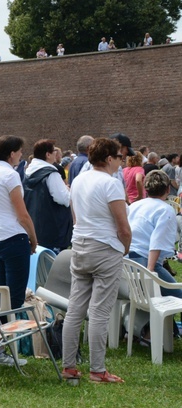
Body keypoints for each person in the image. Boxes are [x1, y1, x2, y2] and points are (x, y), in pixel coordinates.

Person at [62, 137, 130, 384]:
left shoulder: (78, 179)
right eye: (120, 157)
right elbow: (123, 226)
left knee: (75, 309)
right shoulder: (111, 184)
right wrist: (124, 249)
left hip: (80, 244)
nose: (121, 162)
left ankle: (69, 366)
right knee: (100, 311)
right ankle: (98, 370)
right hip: (104, 247)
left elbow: (75, 217)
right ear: (110, 158)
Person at [0, 136, 38, 338]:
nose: (21, 155)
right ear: (12, 153)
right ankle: (2, 345)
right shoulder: (9, 175)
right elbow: (22, 214)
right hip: (13, 237)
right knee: (13, 296)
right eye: (20, 151)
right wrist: (34, 237)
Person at [127, 170, 181, 298]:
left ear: (146, 189)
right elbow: (158, 241)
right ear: (168, 189)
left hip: (125, 262)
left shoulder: (134, 205)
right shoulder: (165, 209)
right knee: (179, 297)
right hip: (146, 262)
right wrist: (150, 272)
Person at [24, 139, 72, 252]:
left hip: (34, 225)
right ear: (48, 154)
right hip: (52, 229)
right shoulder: (51, 174)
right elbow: (63, 199)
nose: (56, 154)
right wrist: (67, 190)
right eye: (54, 151)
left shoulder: (27, 172)